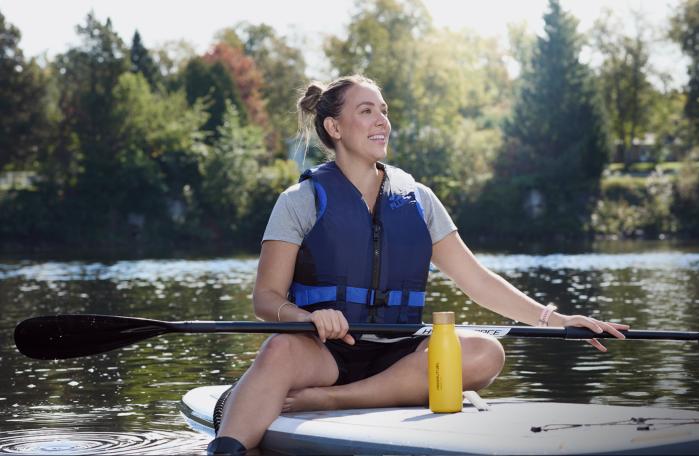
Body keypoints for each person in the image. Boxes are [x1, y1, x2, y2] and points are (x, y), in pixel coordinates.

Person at [206, 75, 629, 455]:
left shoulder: (419, 199)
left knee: (485, 352)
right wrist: (307, 318)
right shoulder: (298, 201)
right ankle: (228, 445)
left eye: (384, 112)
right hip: (324, 353)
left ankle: (337, 399)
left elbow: (477, 282)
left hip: (399, 354)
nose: (382, 122)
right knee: (279, 348)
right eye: (367, 111)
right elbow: (266, 298)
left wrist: (557, 320)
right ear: (334, 128)